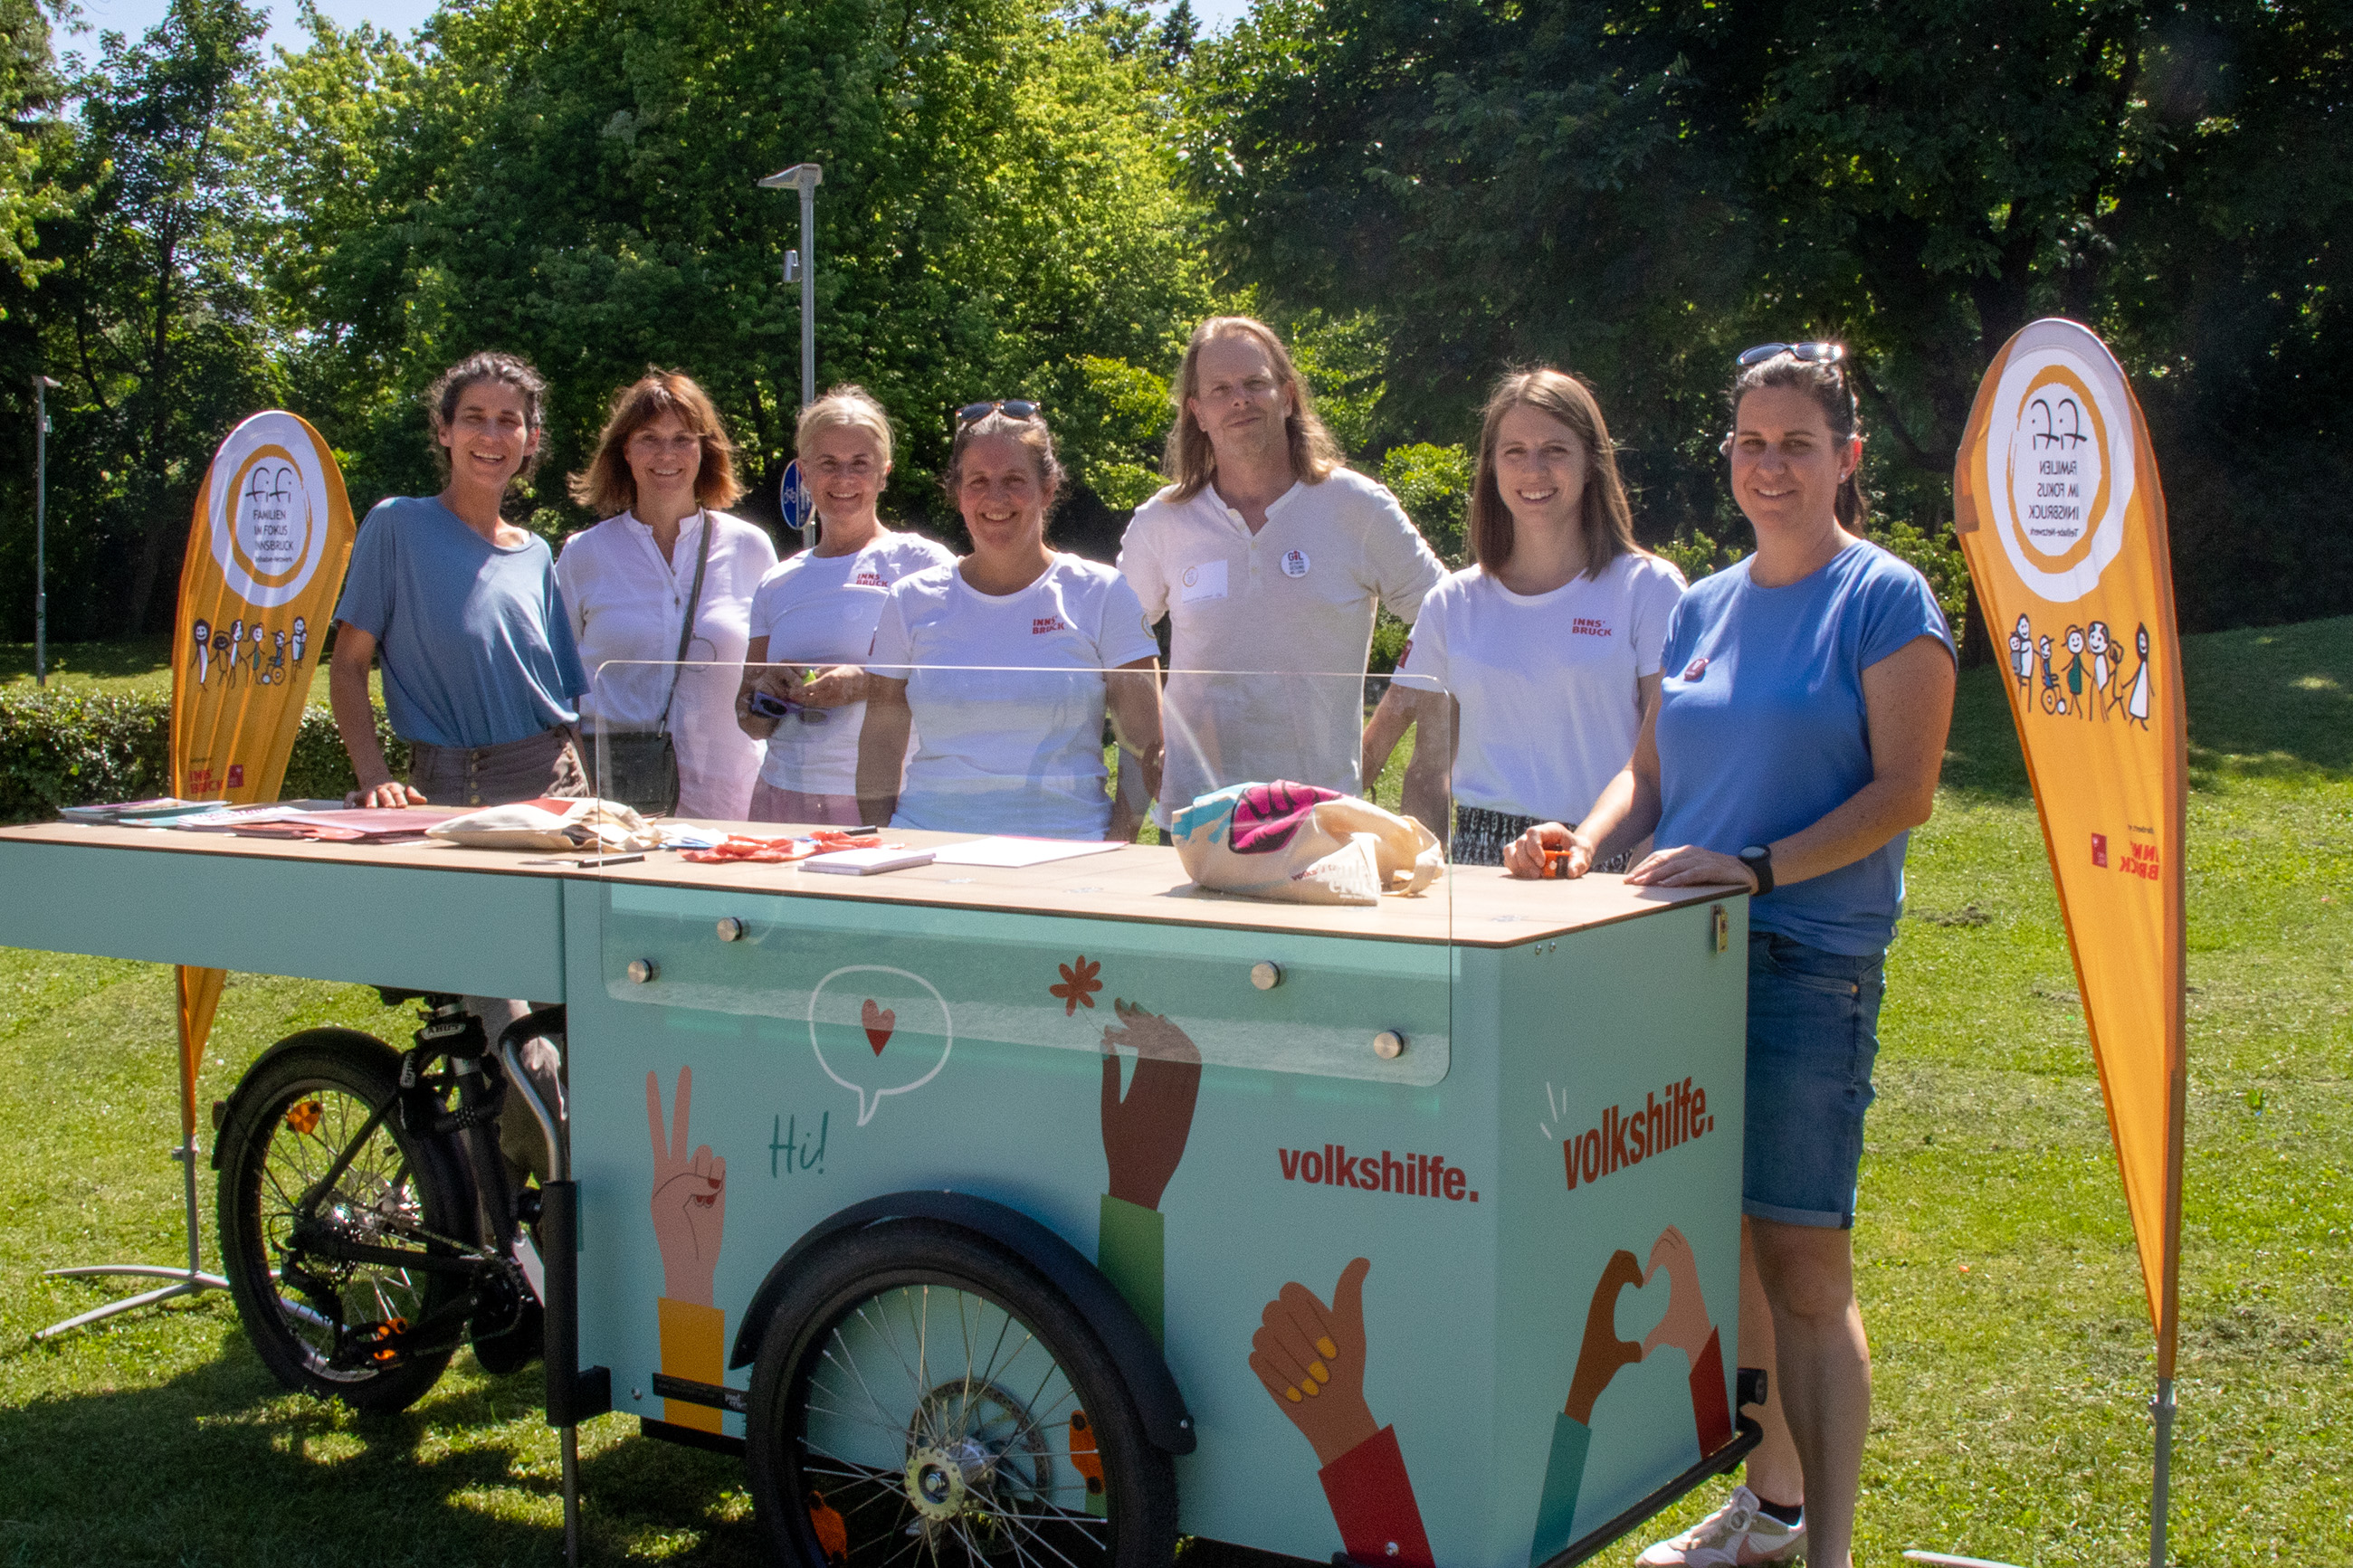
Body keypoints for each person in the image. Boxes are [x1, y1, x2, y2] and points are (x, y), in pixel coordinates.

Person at [1503, 343, 1956, 1568]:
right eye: (1751, 443)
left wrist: (1756, 869)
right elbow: (1650, 775)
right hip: (1680, 965)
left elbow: (1901, 794)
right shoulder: (1702, 603)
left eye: (1796, 444)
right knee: (1729, 1250)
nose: (1770, 465)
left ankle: (1829, 1552)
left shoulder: (1887, 599)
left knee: (1806, 1267)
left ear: (1845, 458)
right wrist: (1582, 838)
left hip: (1806, 962)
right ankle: (1771, 1506)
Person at [329, 349, 591, 1186]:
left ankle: (525, 1215)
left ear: (531, 440)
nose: (491, 433)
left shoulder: (536, 553)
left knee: (594, 1011)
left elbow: (563, 694)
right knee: (522, 1042)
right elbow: (348, 663)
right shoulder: (396, 526)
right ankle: (527, 1226)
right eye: (474, 417)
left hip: (552, 786)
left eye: (508, 420)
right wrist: (373, 773)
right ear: (444, 431)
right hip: (449, 797)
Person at [1119, 317, 1443, 821]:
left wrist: (1378, 739)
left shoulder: (1355, 507)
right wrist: (1151, 740)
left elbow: (1448, 616)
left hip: (1321, 816)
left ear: (1288, 396)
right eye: (1221, 390)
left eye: (1255, 384)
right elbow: (1115, 642)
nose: (1240, 400)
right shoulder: (1163, 521)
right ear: (1198, 413)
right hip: (1198, 818)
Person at [1360, 368, 1684, 865]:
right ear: (1491, 466)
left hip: (1605, 853)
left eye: (1555, 450)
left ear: (1591, 463)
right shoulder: (1452, 603)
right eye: (1514, 452)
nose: (1533, 470)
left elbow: (1662, 768)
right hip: (1480, 860)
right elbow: (1424, 772)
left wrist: (1596, 856)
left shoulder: (1649, 588)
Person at [857, 404, 1162, 841]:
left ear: (1047, 490)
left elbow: (1144, 745)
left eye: (1014, 481)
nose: (995, 498)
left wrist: (1118, 841)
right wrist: (883, 842)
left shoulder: (1104, 593)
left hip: (1066, 849)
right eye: (978, 482)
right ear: (958, 493)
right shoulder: (909, 599)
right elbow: (879, 743)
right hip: (928, 848)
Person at [556, 369, 778, 819]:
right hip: (615, 803)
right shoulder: (585, 554)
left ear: (704, 450)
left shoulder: (750, 547)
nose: (666, 454)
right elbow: (557, 691)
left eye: (682, 439)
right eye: (649, 438)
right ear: (625, 449)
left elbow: (771, 672)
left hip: (730, 798)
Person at [735, 386, 953, 825]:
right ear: (804, 472)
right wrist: (768, 693)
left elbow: (953, 687)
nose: (844, 479)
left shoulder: (924, 564)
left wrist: (863, 684)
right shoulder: (778, 580)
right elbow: (749, 719)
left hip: (886, 797)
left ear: (884, 473)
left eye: (860, 464)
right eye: (828, 464)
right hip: (783, 796)